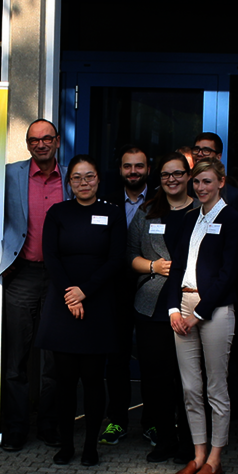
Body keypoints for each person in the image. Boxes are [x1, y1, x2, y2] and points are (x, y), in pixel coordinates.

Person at [34, 155, 126, 466]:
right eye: (77, 177)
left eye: (89, 177)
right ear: (69, 182)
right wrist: (71, 296)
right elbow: (51, 257)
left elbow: (115, 260)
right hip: (64, 304)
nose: (83, 183)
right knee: (65, 380)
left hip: (97, 304)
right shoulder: (58, 212)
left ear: (99, 179)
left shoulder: (112, 214)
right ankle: (66, 445)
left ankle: (90, 447)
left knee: (92, 379)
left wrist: (85, 292)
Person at [0, 119, 70, 451]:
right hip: (21, 274)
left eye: (47, 139)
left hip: (59, 277)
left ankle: (49, 426)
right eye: (34, 140)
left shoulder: (72, 177)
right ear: (27, 145)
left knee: (55, 359)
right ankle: (15, 427)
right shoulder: (9, 175)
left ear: (57, 142)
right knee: (15, 360)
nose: (41, 144)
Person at [167, 159, 238, 474]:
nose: (200, 188)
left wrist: (198, 314)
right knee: (190, 388)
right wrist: (173, 309)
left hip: (214, 309)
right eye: (197, 182)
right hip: (182, 305)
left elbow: (230, 274)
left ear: (221, 182)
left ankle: (215, 457)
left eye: (207, 182)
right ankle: (197, 455)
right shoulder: (189, 220)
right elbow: (176, 267)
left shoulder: (233, 220)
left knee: (215, 387)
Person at [128, 152, 199, 463]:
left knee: (189, 380)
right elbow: (129, 256)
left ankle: (189, 443)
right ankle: (165, 441)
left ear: (188, 176)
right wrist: (153, 265)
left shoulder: (203, 210)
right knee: (157, 379)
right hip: (152, 307)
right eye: (166, 174)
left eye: (178, 173)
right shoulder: (146, 213)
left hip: (191, 307)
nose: (172, 179)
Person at [101, 145, 151, 446]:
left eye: (139, 166)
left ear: (148, 169)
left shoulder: (159, 202)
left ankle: (153, 422)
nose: (133, 171)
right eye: (128, 166)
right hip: (114, 291)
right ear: (120, 170)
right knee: (116, 360)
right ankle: (117, 421)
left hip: (150, 289)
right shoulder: (106, 200)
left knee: (150, 360)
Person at [191, 132, 238, 204]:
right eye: (196, 149)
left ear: (218, 157)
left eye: (206, 150)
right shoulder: (184, 187)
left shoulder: (232, 195)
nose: (199, 153)